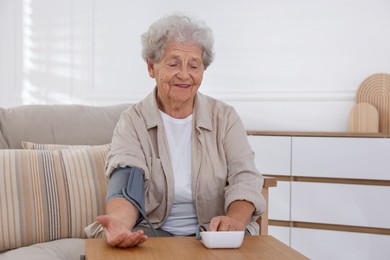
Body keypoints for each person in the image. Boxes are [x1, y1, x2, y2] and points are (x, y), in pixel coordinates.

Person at [89, 13, 266, 248]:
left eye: (194, 65)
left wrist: (234, 220)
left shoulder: (224, 118)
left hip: (212, 235)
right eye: (173, 63)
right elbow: (125, 180)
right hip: (152, 233)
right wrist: (120, 223)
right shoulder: (133, 120)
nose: (184, 74)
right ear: (152, 67)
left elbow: (244, 178)